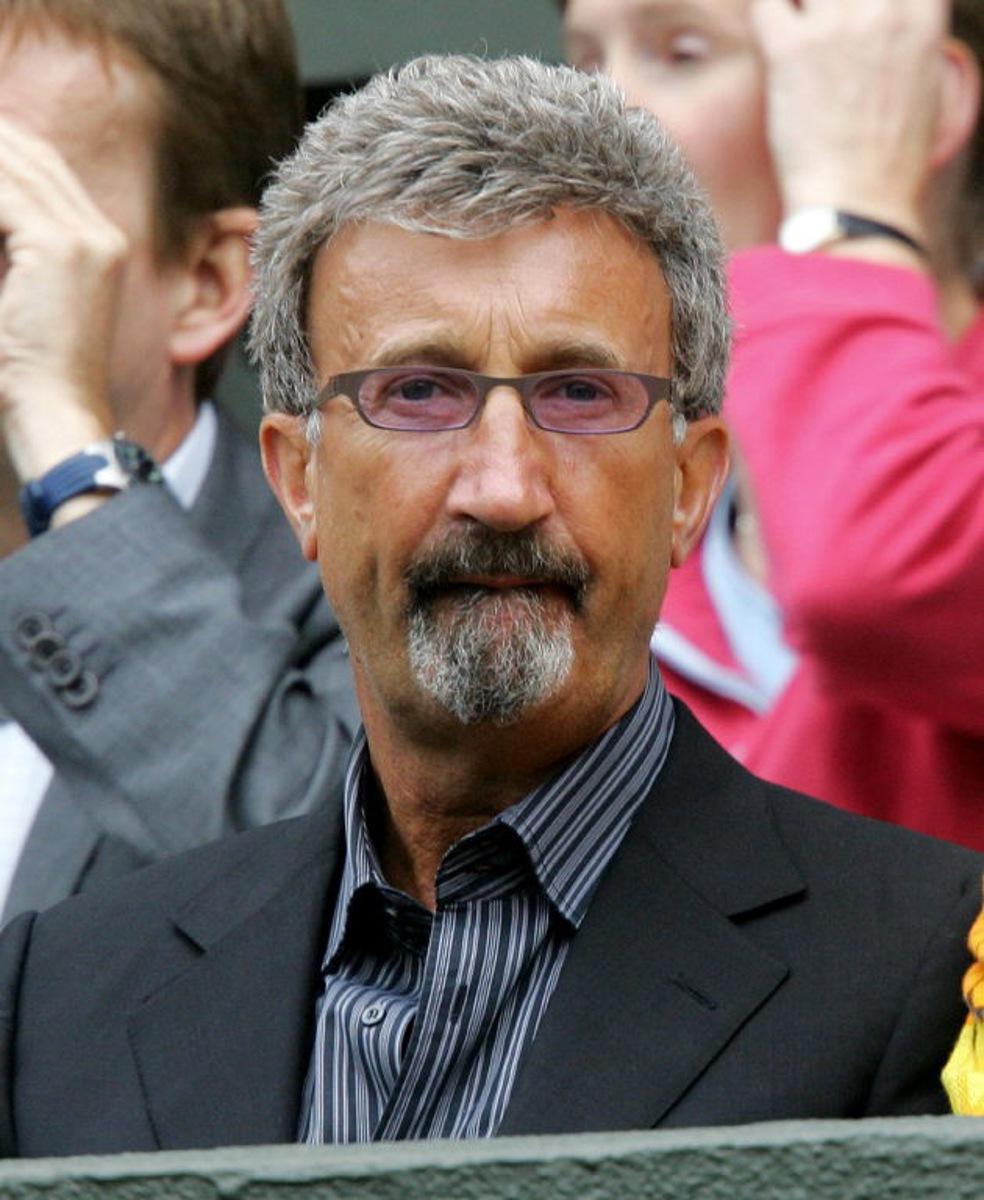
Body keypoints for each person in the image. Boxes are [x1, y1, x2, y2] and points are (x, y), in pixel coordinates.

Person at [0, 55, 980, 1158]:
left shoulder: (922, 966)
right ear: (300, 483)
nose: (504, 487)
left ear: (690, 488)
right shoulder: (58, 993)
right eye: (418, 392)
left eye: (580, 394)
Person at [561, 0, 984, 848]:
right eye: (583, 61)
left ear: (916, 99)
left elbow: (871, 569)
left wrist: (850, 209)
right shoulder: (581, 504)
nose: (590, 121)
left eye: (679, 52)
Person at [0, 0, 358, 924]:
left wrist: (58, 435)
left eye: (13, 215)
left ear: (202, 283)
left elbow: (323, 910)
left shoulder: (362, 590)